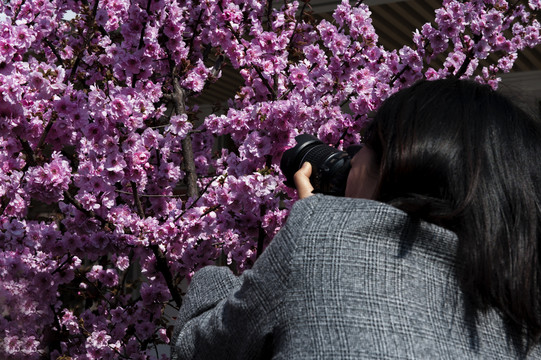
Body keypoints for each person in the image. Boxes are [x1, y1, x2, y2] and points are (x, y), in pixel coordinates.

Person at [170, 79, 541, 359]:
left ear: (401, 162)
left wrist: (212, 277)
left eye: (365, 142)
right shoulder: (523, 307)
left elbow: (198, 348)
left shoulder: (321, 231)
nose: (351, 158)